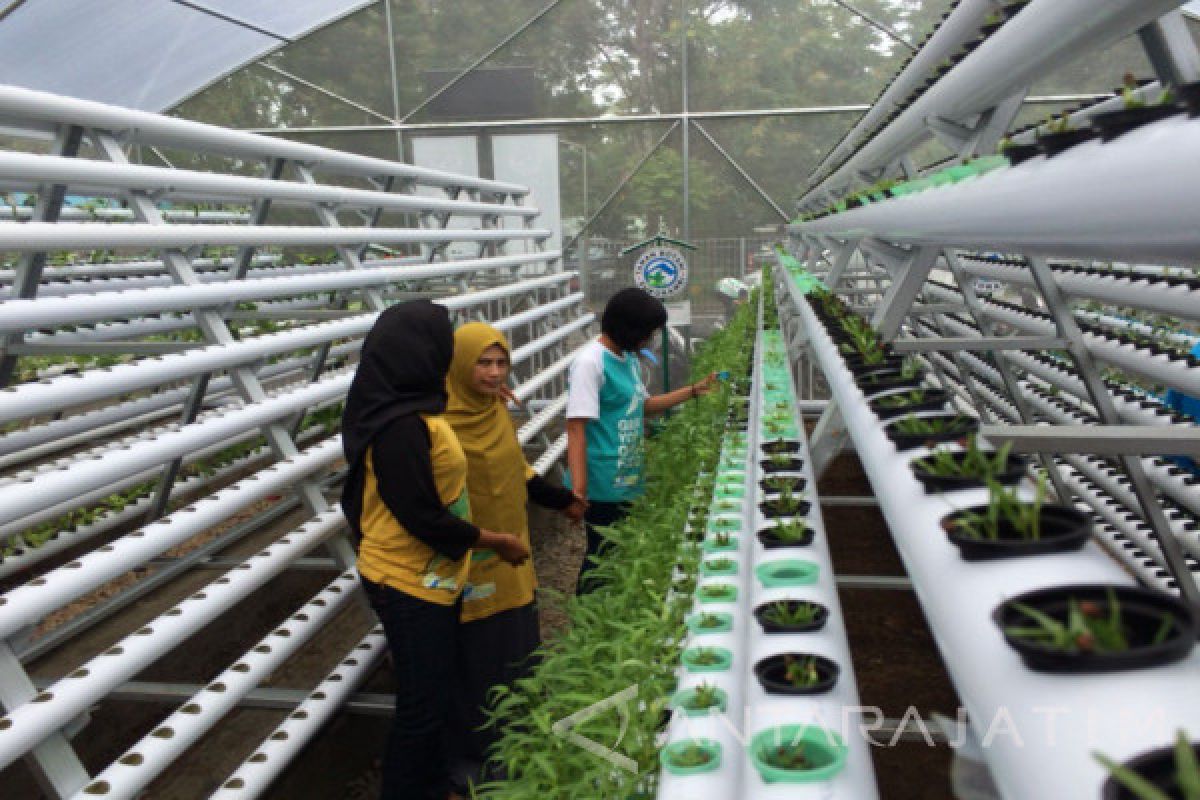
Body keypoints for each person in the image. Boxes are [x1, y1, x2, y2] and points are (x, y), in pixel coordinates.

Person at [339, 300, 529, 800]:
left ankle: (435, 785)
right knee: (421, 708)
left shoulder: (412, 406)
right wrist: (496, 542)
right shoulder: (400, 428)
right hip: (405, 580)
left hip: (430, 577)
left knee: (436, 694)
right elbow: (422, 517)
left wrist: (491, 398)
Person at [442, 322, 586, 791]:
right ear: (460, 366)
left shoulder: (495, 412)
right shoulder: (438, 426)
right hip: (470, 563)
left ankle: (522, 744)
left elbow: (518, 471)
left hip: (513, 558)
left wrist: (560, 499)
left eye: (501, 363)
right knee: (478, 666)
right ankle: (476, 765)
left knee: (519, 653)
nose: (492, 372)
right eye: (482, 363)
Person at [565, 288, 716, 594]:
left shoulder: (627, 357)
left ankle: (606, 610)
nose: (649, 339)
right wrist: (578, 492)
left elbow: (641, 407)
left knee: (620, 552)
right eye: (647, 332)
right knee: (602, 555)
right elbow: (576, 428)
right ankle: (588, 619)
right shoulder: (590, 363)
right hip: (603, 480)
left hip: (628, 473)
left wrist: (692, 391)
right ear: (629, 328)